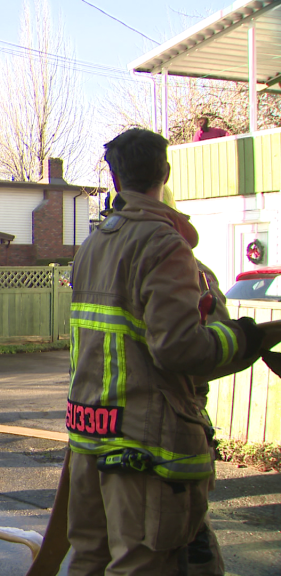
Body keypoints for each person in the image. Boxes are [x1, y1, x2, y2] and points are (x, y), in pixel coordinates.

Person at [67, 128, 264, 574]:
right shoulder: (163, 244)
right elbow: (179, 349)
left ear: (115, 178)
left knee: (88, 559)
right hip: (144, 444)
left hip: (90, 432)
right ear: (166, 172)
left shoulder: (94, 244)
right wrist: (243, 339)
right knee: (142, 564)